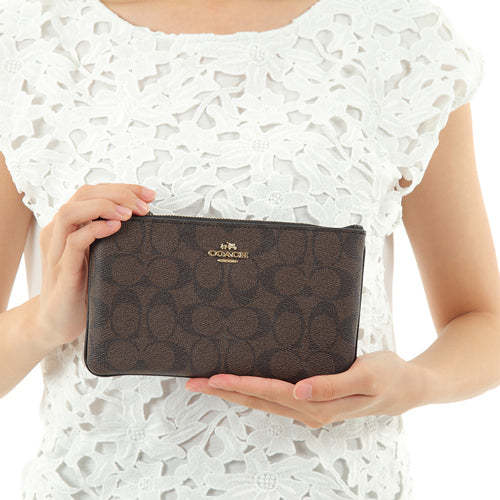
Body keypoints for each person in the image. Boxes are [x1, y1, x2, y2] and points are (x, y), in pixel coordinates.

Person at [0, 0, 498, 498]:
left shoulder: (402, 36)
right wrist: (44, 321)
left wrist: (413, 383)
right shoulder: (28, 38)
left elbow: (484, 321)